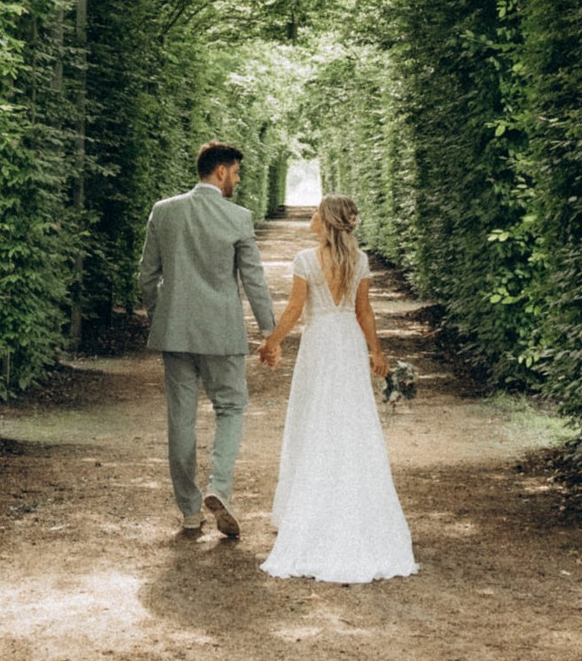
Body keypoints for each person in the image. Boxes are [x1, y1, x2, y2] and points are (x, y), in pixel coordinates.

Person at [256, 195, 417, 584]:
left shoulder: (306, 260)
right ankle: (353, 505)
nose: (310, 215)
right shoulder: (358, 262)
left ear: (325, 222)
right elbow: (363, 311)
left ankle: (309, 511)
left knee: (313, 418)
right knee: (352, 420)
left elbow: (295, 309)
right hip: (346, 342)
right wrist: (375, 351)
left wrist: (272, 342)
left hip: (319, 344)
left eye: (316, 211)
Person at [135, 141, 276, 537]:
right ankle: (220, 487)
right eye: (235, 172)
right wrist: (271, 333)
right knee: (230, 408)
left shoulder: (164, 212)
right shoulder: (239, 218)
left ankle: (190, 512)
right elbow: (254, 281)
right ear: (220, 171)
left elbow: (147, 276)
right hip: (222, 333)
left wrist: (160, 316)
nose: (238, 179)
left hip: (175, 332)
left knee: (180, 420)